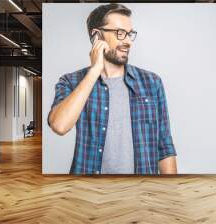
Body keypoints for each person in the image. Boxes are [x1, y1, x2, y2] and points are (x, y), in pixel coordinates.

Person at [48, 3, 177, 175]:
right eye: (120, 33)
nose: (128, 41)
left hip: (141, 192)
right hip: (90, 194)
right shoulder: (71, 81)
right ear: (97, 36)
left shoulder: (152, 83)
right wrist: (94, 71)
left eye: (130, 34)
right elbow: (59, 126)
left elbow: (164, 145)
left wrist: (171, 192)